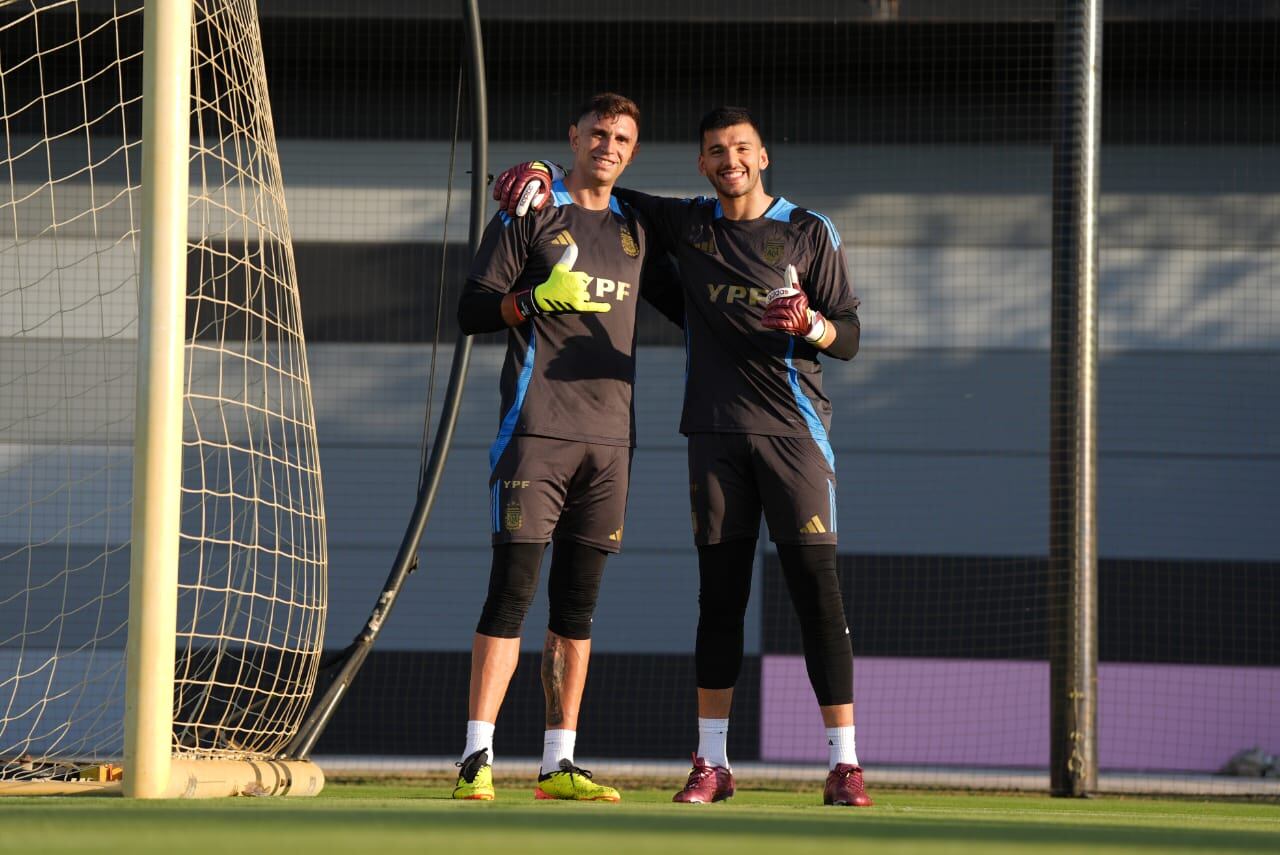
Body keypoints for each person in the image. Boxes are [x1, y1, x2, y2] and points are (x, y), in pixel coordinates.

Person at [492, 106, 872, 807]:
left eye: (741, 149)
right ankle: (713, 763)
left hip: (796, 441)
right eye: (715, 151)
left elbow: (849, 334)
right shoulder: (690, 224)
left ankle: (845, 764)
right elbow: (610, 190)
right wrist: (541, 170)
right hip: (715, 437)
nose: (729, 160)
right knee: (719, 601)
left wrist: (813, 324)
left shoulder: (809, 231)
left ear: (763, 158)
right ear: (701, 163)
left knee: (818, 594)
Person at [454, 93, 681, 802]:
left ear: (632, 151)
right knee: (511, 595)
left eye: (622, 138)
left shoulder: (639, 224)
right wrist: (531, 301)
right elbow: (470, 309)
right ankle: (475, 759)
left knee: (576, 609)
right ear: (573, 134)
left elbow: (689, 302)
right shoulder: (529, 209)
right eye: (597, 134)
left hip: (611, 442)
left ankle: (558, 763)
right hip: (535, 433)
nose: (608, 146)